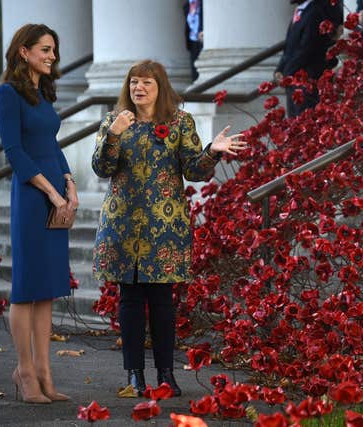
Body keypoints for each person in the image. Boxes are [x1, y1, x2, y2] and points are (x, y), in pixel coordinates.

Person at [91, 60, 247, 397]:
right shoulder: (113, 122)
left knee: (162, 302)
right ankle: (135, 375)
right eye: (134, 82)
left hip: (165, 227)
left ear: (160, 86)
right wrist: (115, 134)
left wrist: (212, 152)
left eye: (147, 82)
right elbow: (101, 167)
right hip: (124, 225)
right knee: (130, 300)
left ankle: (166, 375)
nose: (139, 88)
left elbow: (194, 170)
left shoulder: (179, 122)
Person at [0, 23, 78, 404]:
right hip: (31, 196)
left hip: (55, 192)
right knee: (27, 287)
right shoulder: (7, 94)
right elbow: (15, 152)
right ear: (23, 51)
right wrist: (49, 191)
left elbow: (50, 143)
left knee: (46, 289)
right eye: (45, 49)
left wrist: (69, 183)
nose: (52, 56)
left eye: (54, 50)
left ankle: (45, 372)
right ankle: (24, 371)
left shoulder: (42, 92)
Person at [275, 0, 334, 118]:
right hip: (293, 80)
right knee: (293, 122)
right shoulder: (300, 12)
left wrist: (286, 73)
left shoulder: (315, 12)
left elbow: (306, 48)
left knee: (303, 122)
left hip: (306, 80)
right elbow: (289, 47)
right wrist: (279, 70)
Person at [184, 0, 203, 82]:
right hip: (192, 40)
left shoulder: (202, 3)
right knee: (194, 69)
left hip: (202, 39)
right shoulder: (186, 5)